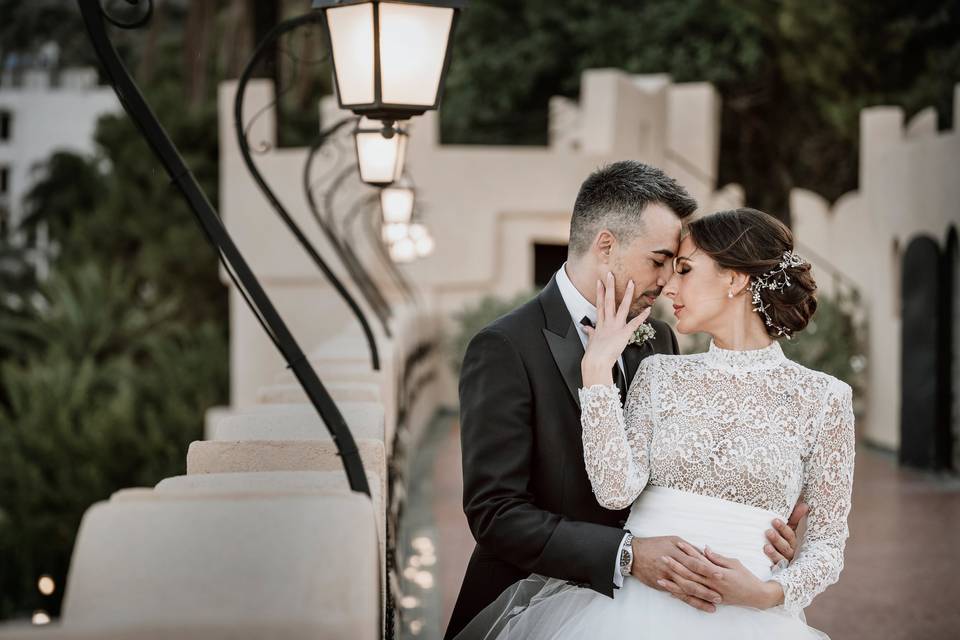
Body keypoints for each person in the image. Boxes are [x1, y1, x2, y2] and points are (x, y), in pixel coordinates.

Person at [444, 163, 809, 639]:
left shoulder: (658, 338)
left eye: (678, 266)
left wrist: (756, 525)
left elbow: (672, 471)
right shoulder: (505, 347)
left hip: (663, 612)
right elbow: (496, 513)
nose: (666, 282)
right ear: (606, 245)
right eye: (658, 260)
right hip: (530, 606)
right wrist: (626, 554)